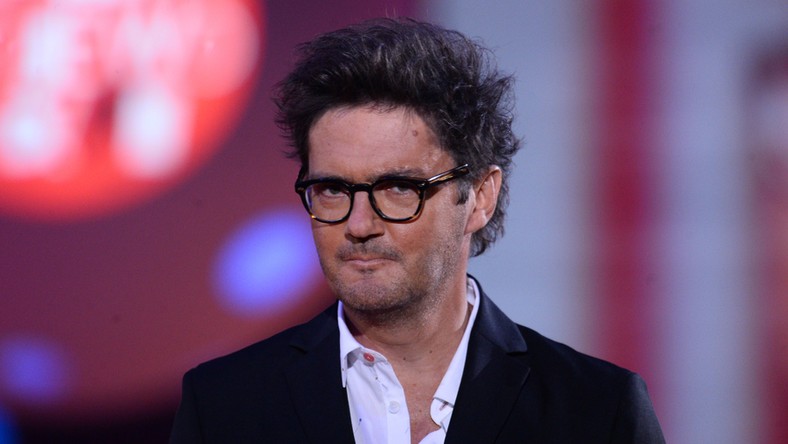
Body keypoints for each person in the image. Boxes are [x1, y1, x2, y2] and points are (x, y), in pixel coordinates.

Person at [170, 18, 665, 443]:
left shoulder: (595, 411)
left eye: (398, 188)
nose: (358, 225)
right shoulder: (223, 406)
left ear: (480, 196)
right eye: (332, 190)